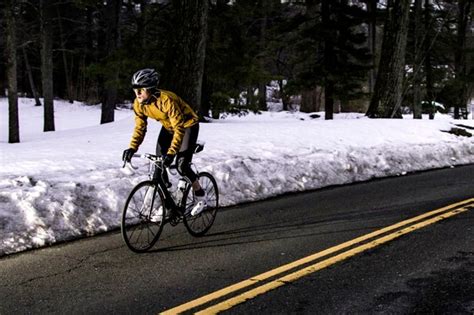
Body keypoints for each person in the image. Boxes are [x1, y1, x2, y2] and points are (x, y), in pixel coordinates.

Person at [122, 68, 206, 216]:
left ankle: (200, 195)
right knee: (158, 166)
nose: (137, 93)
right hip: (168, 128)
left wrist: (172, 152)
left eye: (141, 89)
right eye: (135, 89)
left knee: (181, 166)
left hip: (187, 126)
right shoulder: (138, 104)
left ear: (151, 89)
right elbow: (140, 128)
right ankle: (169, 204)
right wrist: (132, 148)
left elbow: (179, 128)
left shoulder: (167, 100)